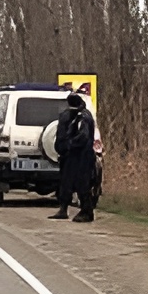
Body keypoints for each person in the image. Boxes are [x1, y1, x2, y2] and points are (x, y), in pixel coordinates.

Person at [52, 92, 97, 222]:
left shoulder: (83, 117)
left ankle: (86, 211)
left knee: (82, 183)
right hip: (70, 155)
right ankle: (63, 209)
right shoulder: (69, 115)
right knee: (66, 182)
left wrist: (69, 145)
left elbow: (83, 136)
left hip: (81, 156)